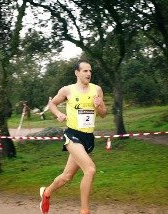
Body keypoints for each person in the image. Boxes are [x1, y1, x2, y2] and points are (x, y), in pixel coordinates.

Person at [40, 60, 107, 214]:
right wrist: (58, 114)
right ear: (77, 73)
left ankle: (46, 193)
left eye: (90, 71)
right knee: (90, 170)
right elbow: (52, 103)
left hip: (88, 138)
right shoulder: (67, 90)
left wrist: (99, 105)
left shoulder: (97, 90)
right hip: (72, 135)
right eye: (85, 71)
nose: (89, 73)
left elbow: (103, 114)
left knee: (66, 177)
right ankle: (84, 210)